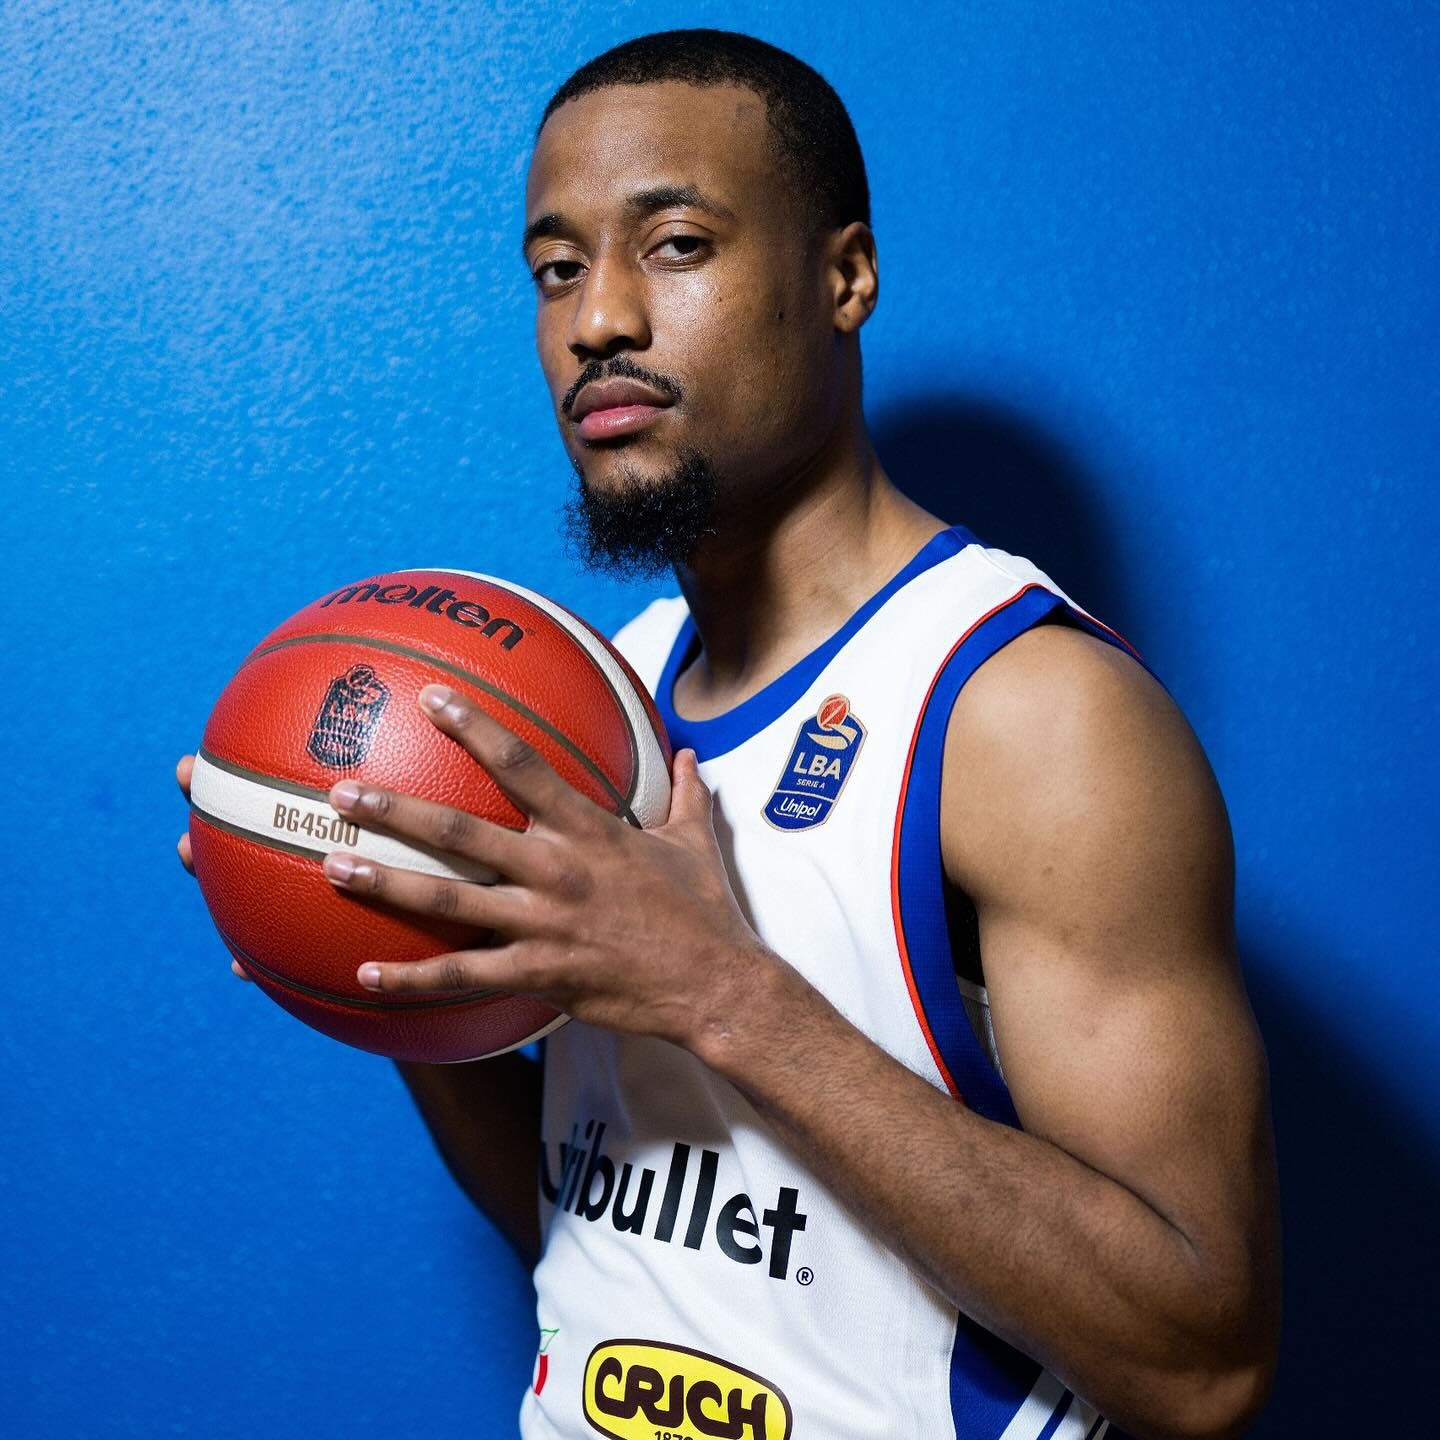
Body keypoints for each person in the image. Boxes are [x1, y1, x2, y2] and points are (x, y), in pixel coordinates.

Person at [177, 29, 1280, 1440]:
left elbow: (1200, 1363)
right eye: (557, 269)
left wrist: (720, 993)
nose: (598, 320)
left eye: (677, 245)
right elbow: (604, 1232)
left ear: (844, 277)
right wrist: (390, 965)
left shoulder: (1024, 716)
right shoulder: (600, 700)